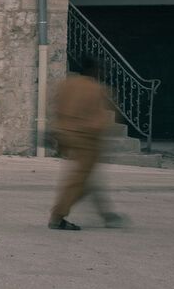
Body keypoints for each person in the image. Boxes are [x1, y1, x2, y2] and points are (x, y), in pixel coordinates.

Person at [48, 63, 126, 230]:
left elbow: (56, 108)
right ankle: (58, 216)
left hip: (65, 135)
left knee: (87, 180)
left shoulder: (67, 85)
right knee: (79, 181)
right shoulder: (96, 89)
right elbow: (99, 121)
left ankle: (108, 215)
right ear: (94, 70)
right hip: (86, 140)